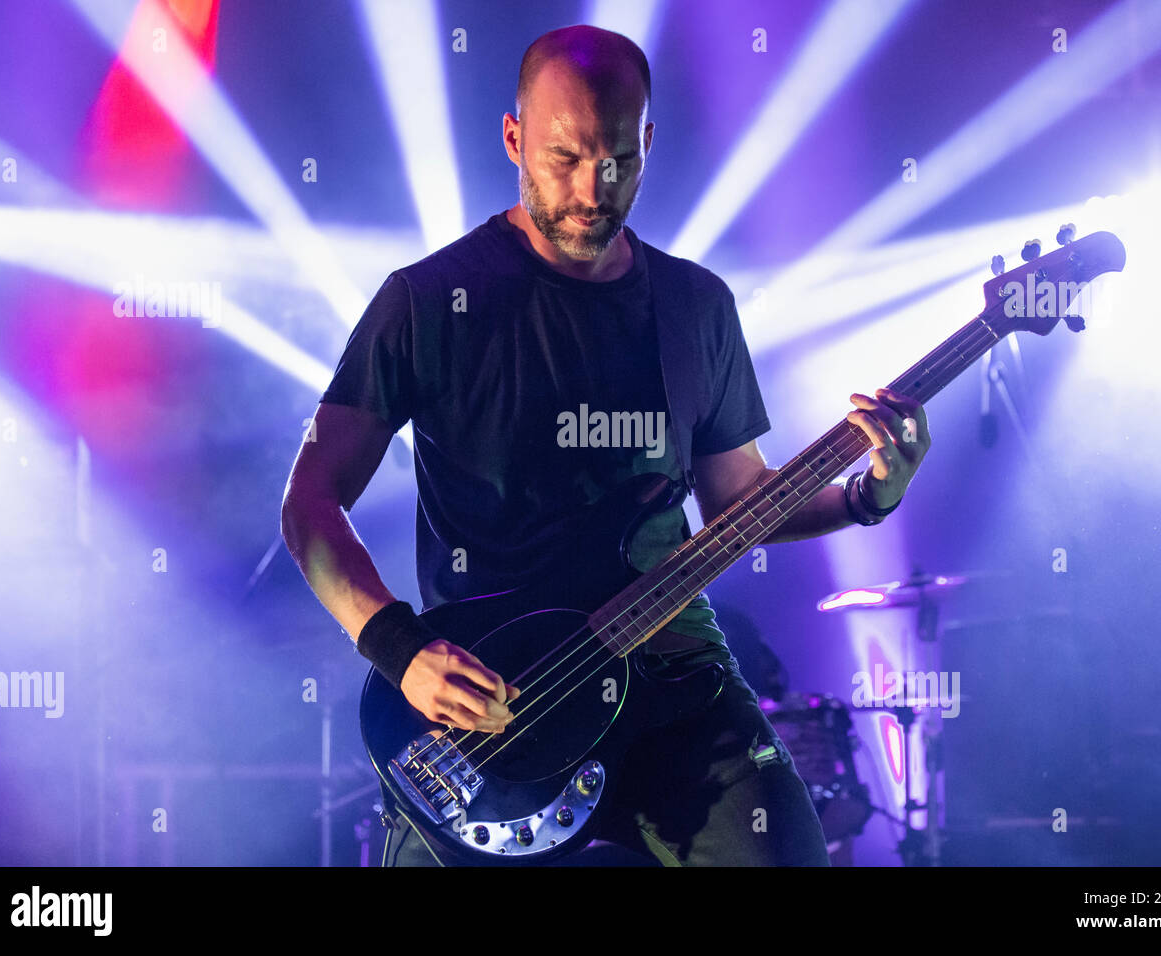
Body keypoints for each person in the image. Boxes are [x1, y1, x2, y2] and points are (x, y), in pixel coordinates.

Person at [280, 24, 931, 867]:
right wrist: (398, 650)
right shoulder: (430, 301)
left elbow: (742, 503)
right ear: (514, 137)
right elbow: (310, 501)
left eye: (619, 158)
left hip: (672, 676)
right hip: (498, 706)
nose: (595, 188)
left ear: (648, 142)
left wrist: (869, 495)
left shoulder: (696, 306)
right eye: (566, 157)